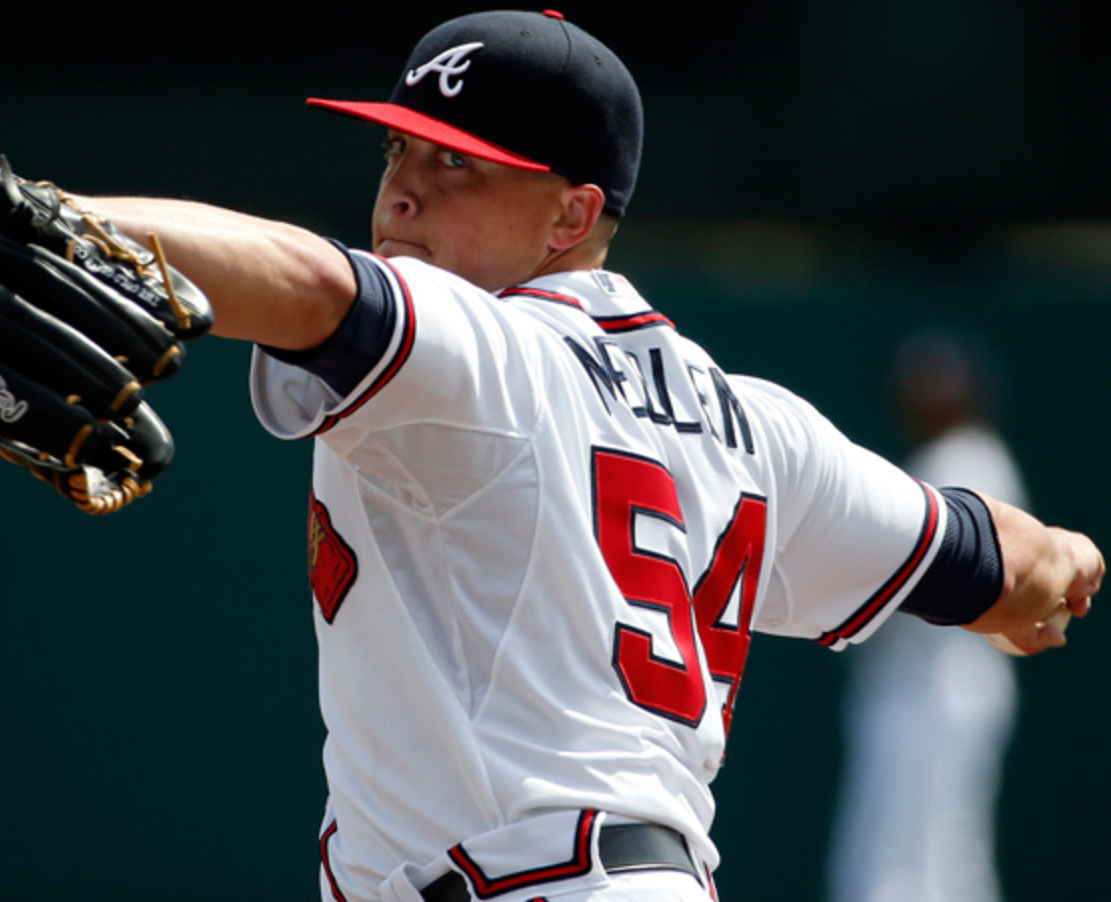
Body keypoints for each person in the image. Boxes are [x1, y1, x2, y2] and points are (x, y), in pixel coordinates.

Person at [63, 11, 1101, 901]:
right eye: (397, 152)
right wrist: (1063, 564)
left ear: (574, 213)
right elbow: (1000, 558)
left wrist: (51, 222)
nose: (404, 193)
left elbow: (309, 280)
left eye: (458, 164)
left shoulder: (489, 351)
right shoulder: (759, 428)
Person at [827, 331, 1028, 902]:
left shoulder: (969, 462)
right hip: (912, 686)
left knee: (921, 850)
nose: (923, 399)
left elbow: (930, 583)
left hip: (942, 687)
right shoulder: (934, 461)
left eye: (938, 385)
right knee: (926, 845)